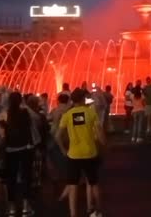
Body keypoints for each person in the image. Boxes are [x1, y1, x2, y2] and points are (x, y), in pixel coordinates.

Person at [56, 88, 106, 217]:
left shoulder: (67, 115)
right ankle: (98, 211)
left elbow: (58, 136)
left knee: (73, 186)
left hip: (73, 155)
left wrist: (63, 150)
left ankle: (73, 214)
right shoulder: (90, 113)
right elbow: (100, 133)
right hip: (90, 153)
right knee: (93, 183)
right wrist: (104, 144)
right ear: (83, 99)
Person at [3, 92, 34, 216]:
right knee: (26, 177)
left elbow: (1, 131)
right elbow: (29, 128)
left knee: (11, 178)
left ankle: (11, 207)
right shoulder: (24, 112)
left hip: (10, 149)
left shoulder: (6, 113)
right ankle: (26, 206)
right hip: (24, 148)